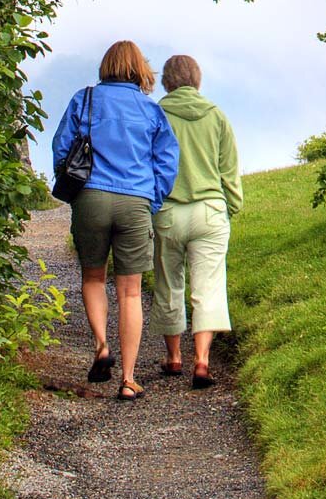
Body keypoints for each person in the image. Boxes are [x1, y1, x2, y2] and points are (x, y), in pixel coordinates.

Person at [51, 41, 178, 401]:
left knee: (93, 276)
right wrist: (151, 200)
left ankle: (102, 345)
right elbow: (166, 162)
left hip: (91, 197)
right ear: (140, 69)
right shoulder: (151, 111)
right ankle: (128, 377)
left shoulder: (84, 99)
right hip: (135, 201)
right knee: (131, 291)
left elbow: (62, 148)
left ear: (106, 66)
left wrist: (75, 190)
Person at [149, 54, 242, 389]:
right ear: (197, 79)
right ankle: (201, 361)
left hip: (169, 212)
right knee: (209, 287)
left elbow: (149, 164)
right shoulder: (216, 116)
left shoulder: (157, 113)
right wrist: (231, 206)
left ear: (167, 82)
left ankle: (173, 357)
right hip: (210, 210)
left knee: (169, 283)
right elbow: (228, 169)